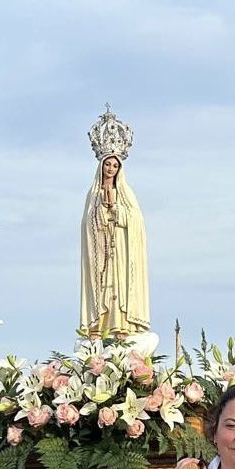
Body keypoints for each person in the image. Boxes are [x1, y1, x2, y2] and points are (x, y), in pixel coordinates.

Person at [80, 107, 149, 337]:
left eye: (115, 165)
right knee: (104, 285)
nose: (111, 168)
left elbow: (137, 222)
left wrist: (117, 210)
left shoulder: (126, 192)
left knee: (119, 284)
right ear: (102, 166)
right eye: (108, 164)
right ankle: (99, 325)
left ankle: (123, 324)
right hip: (102, 250)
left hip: (120, 249)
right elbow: (87, 225)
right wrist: (100, 211)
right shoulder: (93, 193)